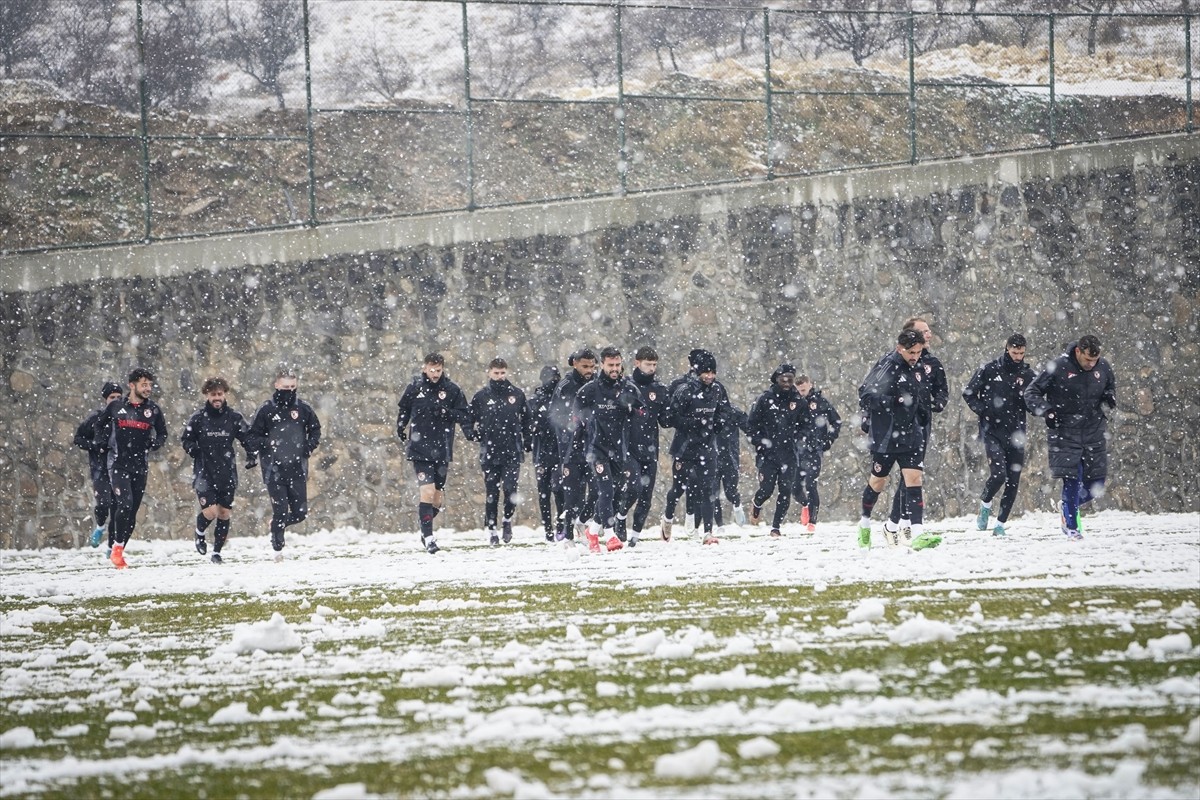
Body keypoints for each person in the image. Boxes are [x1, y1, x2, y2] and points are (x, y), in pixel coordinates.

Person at [1023, 334, 1117, 540]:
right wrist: (1046, 411)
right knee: (1072, 480)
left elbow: (1110, 387)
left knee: (1097, 484)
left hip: (1094, 431)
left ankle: (1068, 504)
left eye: (1095, 360)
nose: (1091, 364)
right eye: (1087, 360)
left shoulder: (1103, 368)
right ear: (1078, 352)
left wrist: (1110, 396)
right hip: (1065, 432)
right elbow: (1031, 392)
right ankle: (1071, 526)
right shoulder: (1058, 367)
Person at [856, 330, 934, 550]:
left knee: (914, 479)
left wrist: (922, 413)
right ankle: (864, 524)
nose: (915, 356)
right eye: (911, 352)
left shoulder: (918, 367)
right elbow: (865, 395)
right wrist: (894, 401)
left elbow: (920, 395)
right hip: (887, 436)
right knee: (878, 482)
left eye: (918, 352)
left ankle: (918, 534)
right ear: (900, 348)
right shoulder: (887, 367)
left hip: (911, 435)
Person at [92, 368, 168, 568]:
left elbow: (162, 434)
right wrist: (100, 442)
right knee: (123, 505)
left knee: (131, 513)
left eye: (150, 384)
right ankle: (116, 550)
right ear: (132, 385)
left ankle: (118, 549)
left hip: (140, 467)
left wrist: (155, 443)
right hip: (118, 465)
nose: (148, 388)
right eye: (144, 384)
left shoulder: (153, 410)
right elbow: (99, 426)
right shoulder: (116, 407)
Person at [396, 352, 472, 554]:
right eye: (432, 370)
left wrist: (449, 413)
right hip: (419, 449)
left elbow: (465, 414)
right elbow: (404, 408)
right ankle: (429, 538)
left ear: (442, 369)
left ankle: (424, 525)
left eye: (438, 370)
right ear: (424, 368)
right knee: (427, 492)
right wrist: (401, 425)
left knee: (437, 498)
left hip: (442, 449)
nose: (435, 373)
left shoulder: (452, 389)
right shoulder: (415, 388)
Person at [962, 334, 1036, 537]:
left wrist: (1040, 409)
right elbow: (968, 393)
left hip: (1017, 434)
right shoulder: (989, 369)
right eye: (1014, 352)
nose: (1018, 357)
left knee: (1013, 480)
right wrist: (983, 410)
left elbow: (1034, 401)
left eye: (1021, 353)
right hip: (992, 431)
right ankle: (985, 504)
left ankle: (1000, 524)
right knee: (999, 475)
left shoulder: (1028, 375)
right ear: (1007, 349)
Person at [247, 366, 322, 560]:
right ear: (276, 385)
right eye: (285, 386)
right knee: (280, 511)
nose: (288, 390)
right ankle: (277, 548)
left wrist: (308, 447)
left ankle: (276, 524)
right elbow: (252, 437)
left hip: (297, 467)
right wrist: (268, 444)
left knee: (300, 514)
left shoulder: (302, 408)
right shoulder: (266, 409)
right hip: (274, 469)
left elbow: (315, 430)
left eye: (292, 387)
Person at [884, 317, 948, 541]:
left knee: (912, 475)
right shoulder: (896, 362)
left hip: (923, 424)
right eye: (923, 331)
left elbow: (942, 390)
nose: (928, 334)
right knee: (907, 474)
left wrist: (937, 403)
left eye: (929, 330)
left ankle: (899, 522)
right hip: (900, 425)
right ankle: (899, 523)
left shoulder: (932, 363)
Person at [574, 346, 643, 552]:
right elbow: (577, 413)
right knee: (605, 491)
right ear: (601, 365)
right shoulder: (590, 390)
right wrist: (584, 426)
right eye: (610, 365)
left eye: (617, 365)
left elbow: (642, 412)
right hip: (597, 449)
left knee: (612, 493)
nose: (614, 369)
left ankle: (592, 531)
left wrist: (631, 409)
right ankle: (611, 535)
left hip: (619, 449)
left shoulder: (628, 388)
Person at [661, 350, 732, 545]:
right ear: (697, 371)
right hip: (685, 449)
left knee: (708, 489)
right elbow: (670, 418)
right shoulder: (684, 389)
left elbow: (725, 410)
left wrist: (718, 423)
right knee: (678, 489)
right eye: (706, 372)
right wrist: (693, 423)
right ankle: (667, 518)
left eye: (712, 372)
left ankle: (708, 533)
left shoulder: (718, 389)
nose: (709, 376)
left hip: (707, 448)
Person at [181, 377, 253, 563]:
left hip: (227, 472)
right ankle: (200, 532)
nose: (217, 398)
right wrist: (193, 449)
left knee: (224, 513)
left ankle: (217, 553)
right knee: (211, 512)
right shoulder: (198, 418)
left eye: (220, 394)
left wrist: (252, 454)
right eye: (213, 394)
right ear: (207, 395)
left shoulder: (234, 417)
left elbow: (247, 437)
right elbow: (186, 439)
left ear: (225, 394)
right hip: (205, 472)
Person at [466, 358, 532, 546]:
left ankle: (507, 521)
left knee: (511, 490)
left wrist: (527, 441)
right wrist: (472, 434)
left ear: (507, 372)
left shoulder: (517, 395)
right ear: (489, 373)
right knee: (491, 493)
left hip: (512, 451)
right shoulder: (481, 397)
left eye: (502, 373)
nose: (500, 376)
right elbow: (469, 419)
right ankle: (493, 529)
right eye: (496, 373)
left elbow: (527, 419)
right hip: (490, 452)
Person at [747, 364, 811, 538]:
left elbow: (806, 424)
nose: (786, 382)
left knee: (785, 490)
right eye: (783, 379)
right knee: (766, 489)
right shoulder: (765, 399)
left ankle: (776, 527)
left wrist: (800, 438)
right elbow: (751, 425)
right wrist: (760, 442)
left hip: (789, 454)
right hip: (768, 454)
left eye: (790, 379)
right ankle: (757, 502)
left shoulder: (798, 400)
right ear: (776, 379)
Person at [620, 346, 672, 546]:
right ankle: (621, 517)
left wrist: (676, 410)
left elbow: (666, 420)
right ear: (637, 363)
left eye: (654, 365)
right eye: (648, 364)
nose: (651, 368)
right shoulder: (626, 385)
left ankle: (635, 537)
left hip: (650, 448)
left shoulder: (659, 389)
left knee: (646, 495)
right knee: (633, 488)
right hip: (628, 447)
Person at [547, 348, 597, 542]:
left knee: (596, 492)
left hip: (594, 447)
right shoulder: (566, 386)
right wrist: (571, 432)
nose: (589, 370)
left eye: (592, 366)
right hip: (571, 448)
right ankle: (568, 536)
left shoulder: (597, 383)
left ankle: (582, 523)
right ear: (575, 364)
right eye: (585, 366)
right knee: (573, 496)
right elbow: (555, 415)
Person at [74, 381, 124, 553]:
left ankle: (111, 547)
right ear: (105, 399)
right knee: (103, 504)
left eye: (119, 397)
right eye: (112, 397)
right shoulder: (96, 418)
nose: (116, 400)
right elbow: (78, 439)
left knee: (117, 510)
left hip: (119, 469)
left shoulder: (125, 417)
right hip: (100, 470)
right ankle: (100, 526)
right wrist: (95, 445)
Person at [792, 374, 842, 534]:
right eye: (799, 390)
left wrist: (828, 440)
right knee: (794, 487)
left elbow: (836, 421)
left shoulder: (820, 402)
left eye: (804, 390)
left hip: (814, 450)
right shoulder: (793, 403)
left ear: (810, 385)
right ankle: (805, 505)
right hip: (797, 451)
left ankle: (812, 522)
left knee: (811, 484)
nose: (802, 393)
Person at [528, 365, 564, 542]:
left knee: (559, 490)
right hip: (541, 453)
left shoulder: (562, 400)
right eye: (550, 378)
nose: (553, 382)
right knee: (544, 492)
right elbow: (528, 425)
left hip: (559, 452)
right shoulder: (534, 401)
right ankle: (548, 528)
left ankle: (561, 525)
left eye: (556, 378)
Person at [713, 402, 749, 528]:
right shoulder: (707, 410)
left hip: (730, 457)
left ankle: (737, 506)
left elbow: (748, 426)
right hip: (711, 458)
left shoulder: (733, 410)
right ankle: (719, 525)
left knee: (731, 492)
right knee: (713, 494)